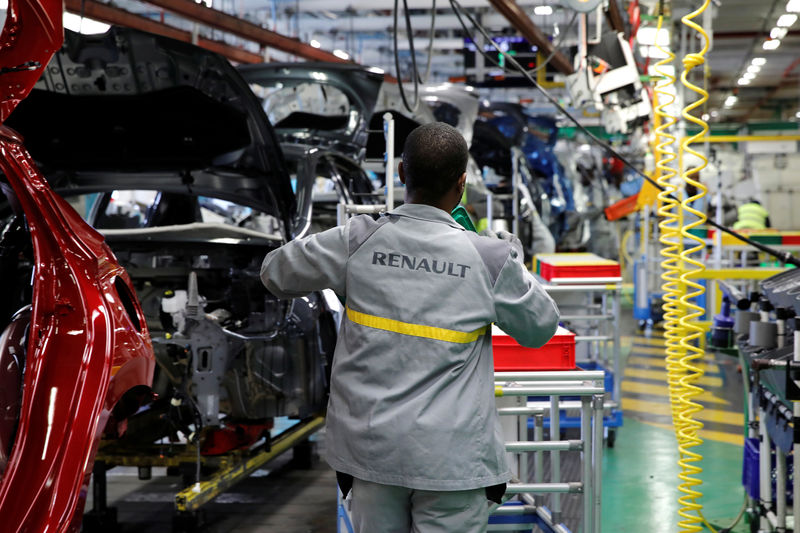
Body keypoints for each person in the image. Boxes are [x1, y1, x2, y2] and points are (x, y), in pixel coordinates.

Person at [260, 122, 559, 533]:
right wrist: (512, 258)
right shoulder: (489, 258)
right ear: (462, 184)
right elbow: (540, 328)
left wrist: (348, 261)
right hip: (452, 460)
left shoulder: (357, 241)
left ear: (401, 173)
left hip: (371, 455)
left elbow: (274, 272)